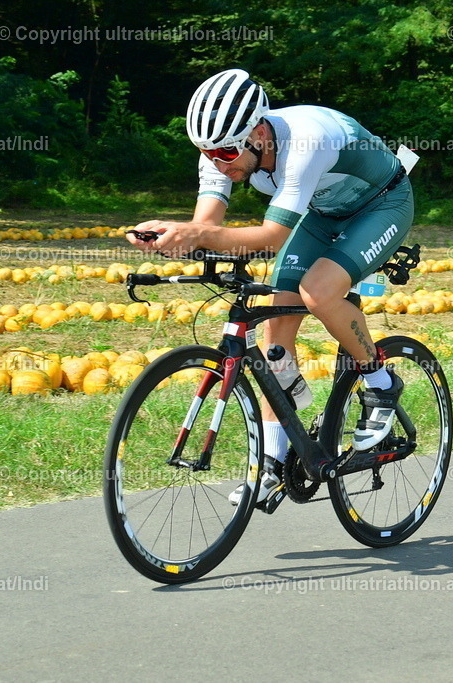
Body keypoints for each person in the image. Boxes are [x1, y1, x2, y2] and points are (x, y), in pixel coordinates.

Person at [126, 68, 414, 505]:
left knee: (318, 291)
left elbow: (272, 237)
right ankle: (274, 465)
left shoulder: (305, 141)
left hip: (382, 205)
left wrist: (198, 235)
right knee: (274, 338)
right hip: (322, 213)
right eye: (207, 154)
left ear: (259, 133)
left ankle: (380, 381)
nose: (218, 163)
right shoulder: (221, 149)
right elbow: (207, 228)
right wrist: (173, 239)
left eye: (226, 152)